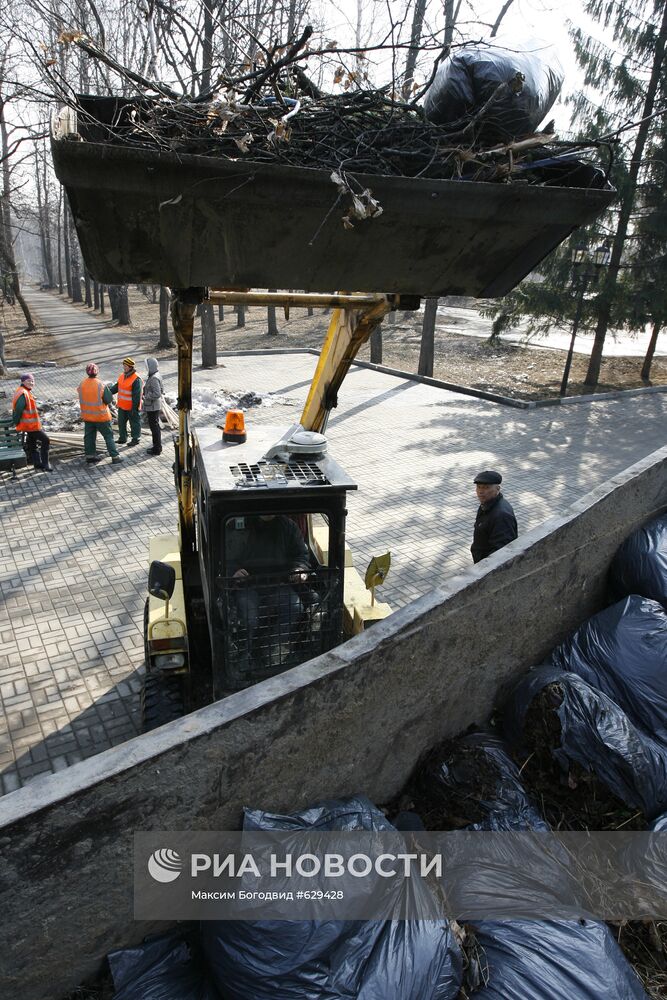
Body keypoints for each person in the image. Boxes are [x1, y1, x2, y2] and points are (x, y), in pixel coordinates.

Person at [225, 514, 311, 663]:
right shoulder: (238, 526)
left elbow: (301, 554)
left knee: (295, 607)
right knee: (249, 617)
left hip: (279, 584)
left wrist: (299, 569)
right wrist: (234, 571)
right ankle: (245, 655)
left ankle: (271, 649)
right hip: (248, 586)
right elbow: (225, 556)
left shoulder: (288, 527)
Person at [77, 363, 123, 465]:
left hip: (88, 416)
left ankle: (90, 456)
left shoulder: (82, 384)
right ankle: (115, 456)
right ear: (97, 372)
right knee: (108, 436)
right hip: (101, 417)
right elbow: (108, 399)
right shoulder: (100, 384)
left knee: (89, 437)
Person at [471, 470, 518, 564]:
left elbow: (501, 551)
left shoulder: (502, 515)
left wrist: (483, 566)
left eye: (486, 488)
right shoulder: (487, 504)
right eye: (478, 487)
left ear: (498, 489)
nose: (480, 492)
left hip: (488, 569)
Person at [12, 373, 52, 472]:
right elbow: (19, 409)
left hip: (29, 425)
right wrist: (16, 422)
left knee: (32, 444)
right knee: (46, 440)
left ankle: (37, 464)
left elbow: (26, 407)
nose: (31, 383)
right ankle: (45, 464)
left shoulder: (24, 391)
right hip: (30, 425)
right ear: (23, 382)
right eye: (29, 381)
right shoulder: (23, 393)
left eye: (33, 381)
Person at [109, 356, 142, 446]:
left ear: (131, 367)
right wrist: (107, 392)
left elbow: (136, 396)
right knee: (121, 423)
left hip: (132, 407)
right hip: (122, 406)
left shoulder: (136, 379)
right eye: (123, 366)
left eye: (126, 366)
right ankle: (123, 438)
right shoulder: (122, 376)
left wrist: (134, 408)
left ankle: (136, 439)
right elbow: (117, 387)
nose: (124, 368)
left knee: (134, 423)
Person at [142, 357, 164, 456]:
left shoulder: (154, 378)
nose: (146, 368)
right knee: (155, 427)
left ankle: (157, 448)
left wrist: (146, 396)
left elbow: (157, 393)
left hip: (153, 406)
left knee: (154, 428)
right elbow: (161, 389)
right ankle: (156, 446)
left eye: (147, 366)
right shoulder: (156, 375)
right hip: (154, 406)